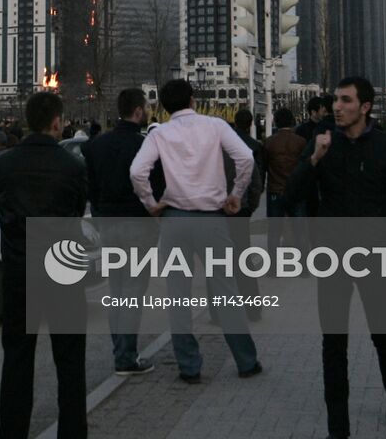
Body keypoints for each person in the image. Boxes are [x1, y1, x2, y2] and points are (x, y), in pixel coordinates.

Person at [286, 76, 386, 439]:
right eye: (335, 101)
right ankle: (338, 424)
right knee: (333, 342)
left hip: (376, 259)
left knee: (383, 333)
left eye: (345, 101)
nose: (337, 107)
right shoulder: (323, 143)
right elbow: (290, 197)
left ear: (366, 106)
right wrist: (314, 158)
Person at [129, 79, 260, 384]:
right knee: (228, 293)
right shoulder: (215, 125)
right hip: (213, 220)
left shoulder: (159, 133)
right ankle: (246, 361)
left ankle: (189, 367)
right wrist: (236, 194)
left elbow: (137, 171)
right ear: (191, 98)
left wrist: (151, 203)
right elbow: (246, 158)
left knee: (178, 298)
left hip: (174, 220)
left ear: (163, 105)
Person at [0, 92, 88, 439]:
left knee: (16, 359)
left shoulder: (2, 165)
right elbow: (77, 210)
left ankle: (12, 433)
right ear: (57, 122)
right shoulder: (73, 166)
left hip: (20, 272)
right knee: (71, 362)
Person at [81, 88, 157, 376]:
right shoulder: (146, 146)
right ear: (138, 111)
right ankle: (126, 357)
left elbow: (91, 187)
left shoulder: (95, 146)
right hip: (138, 223)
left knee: (116, 289)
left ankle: (120, 351)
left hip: (107, 223)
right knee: (134, 291)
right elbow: (155, 185)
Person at [225, 108, 266, 312]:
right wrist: (252, 206)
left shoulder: (218, 149)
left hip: (220, 210)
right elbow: (257, 182)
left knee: (218, 261)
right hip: (242, 209)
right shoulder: (252, 147)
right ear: (250, 124)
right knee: (243, 258)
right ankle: (253, 308)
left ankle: (219, 311)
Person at [262, 107, 307, 256]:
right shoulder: (300, 142)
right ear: (292, 121)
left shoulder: (269, 143)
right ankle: (304, 267)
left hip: (275, 190)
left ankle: (273, 267)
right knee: (300, 230)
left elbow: (263, 167)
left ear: (275, 121)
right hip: (297, 192)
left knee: (274, 231)